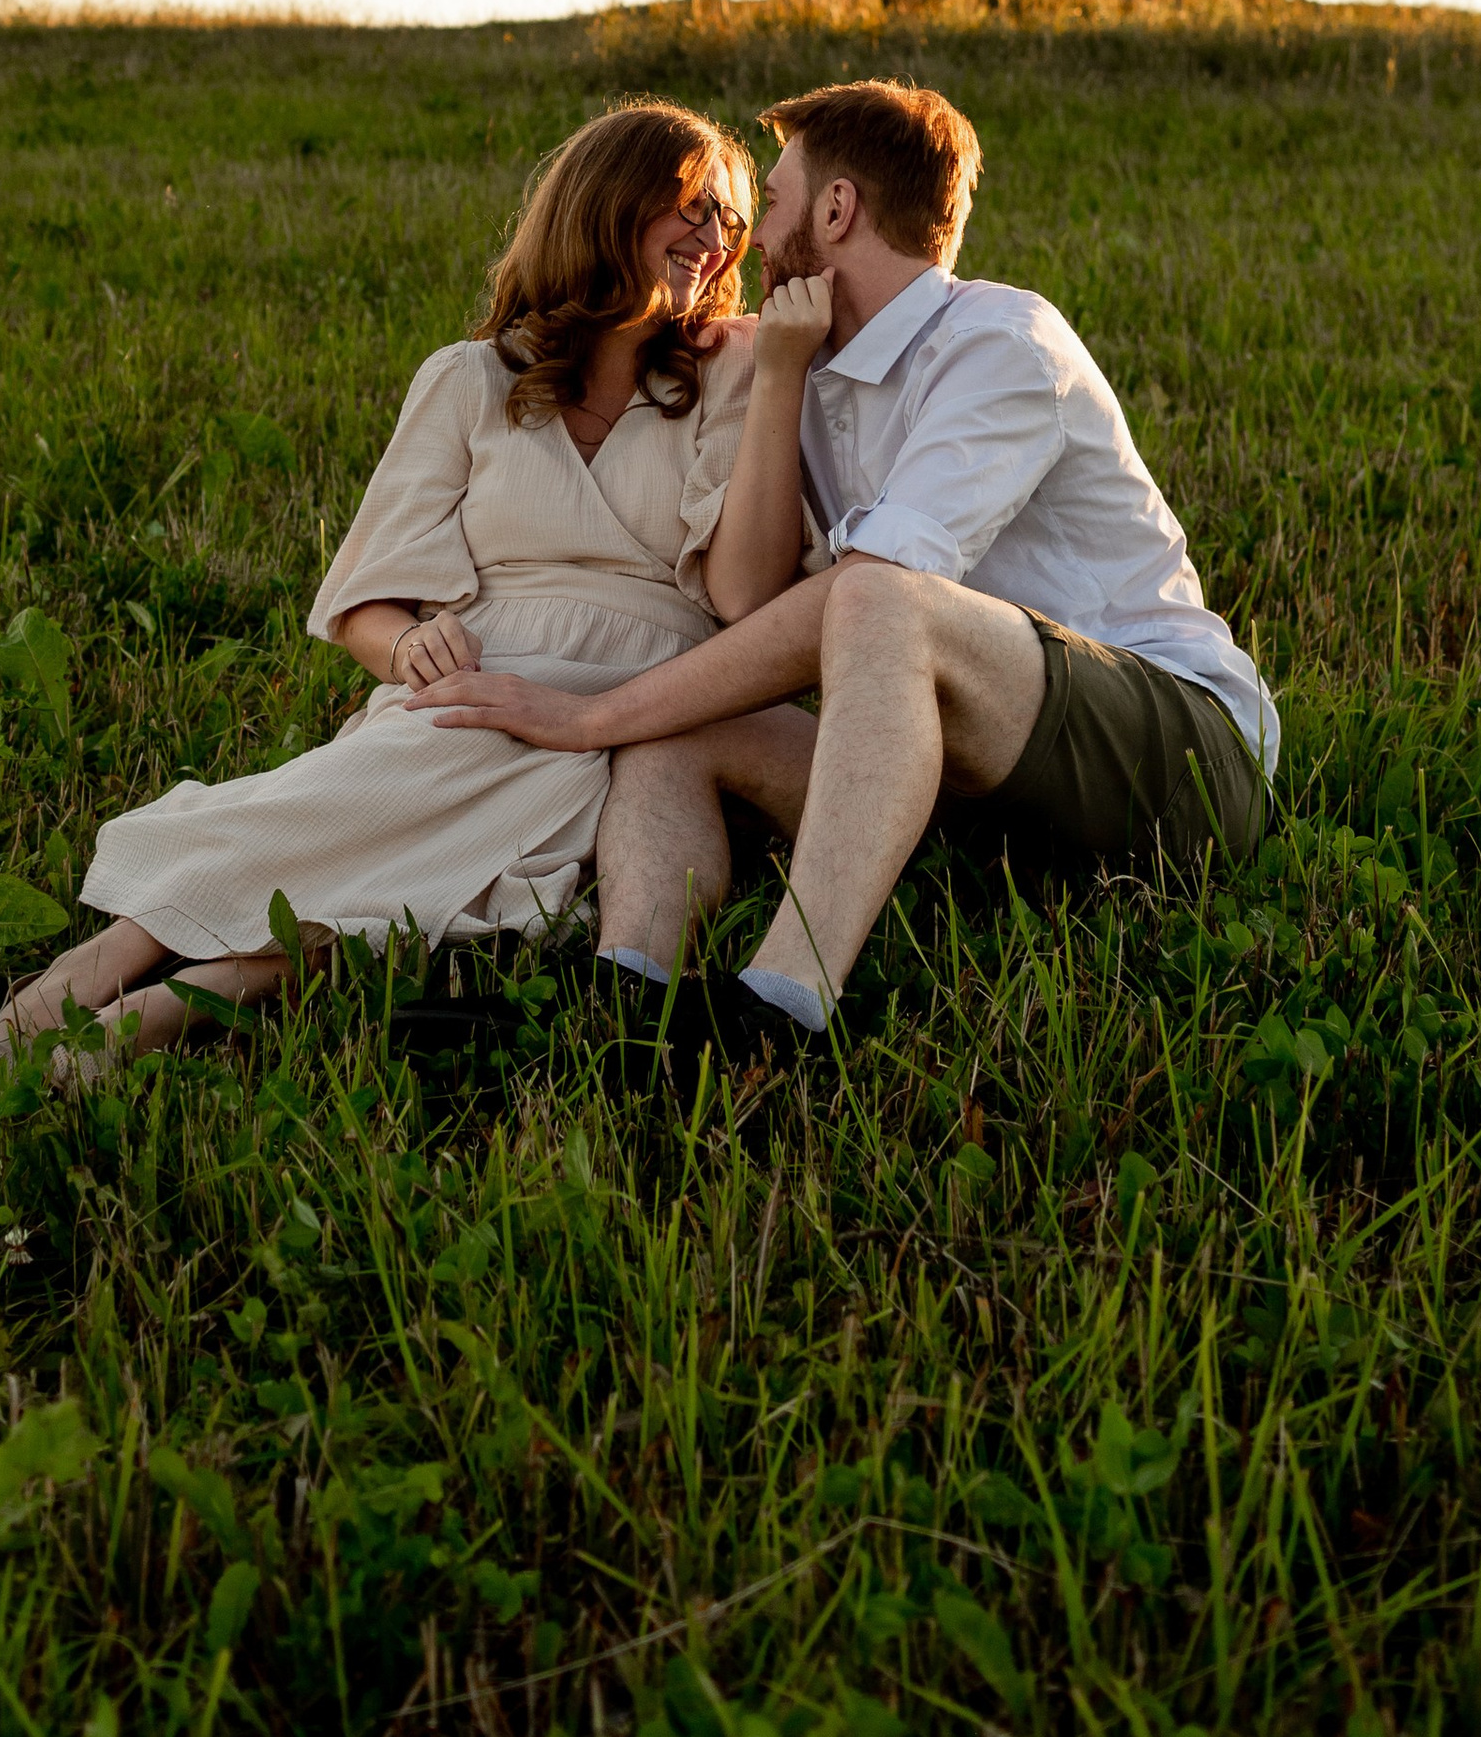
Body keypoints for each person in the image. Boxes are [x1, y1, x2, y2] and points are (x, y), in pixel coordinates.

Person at [0, 97, 825, 1080]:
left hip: (635, 699)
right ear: (607, 204)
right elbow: (369, 600)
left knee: (438, 847)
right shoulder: (470, 379)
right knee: (364, 799)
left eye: (730, 222)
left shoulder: (734, 373)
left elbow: (748, 600)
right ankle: (107, 963)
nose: (715, 243)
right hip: (473, 674)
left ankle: (156, 1009)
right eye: (693, 209)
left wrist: (785, 377)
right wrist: (406, 646)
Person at [425, 75, 1278, 1054]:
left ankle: (778, 1009)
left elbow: (879, 596)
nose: (743, 242)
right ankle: (624, 996)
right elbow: (751, 607)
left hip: (1176, 767)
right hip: (979, 793)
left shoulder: (1000, 342)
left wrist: (592, 716)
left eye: (773, 203)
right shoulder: (801, 367)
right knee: (683, 732)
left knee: (879, 592)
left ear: (837, 210)